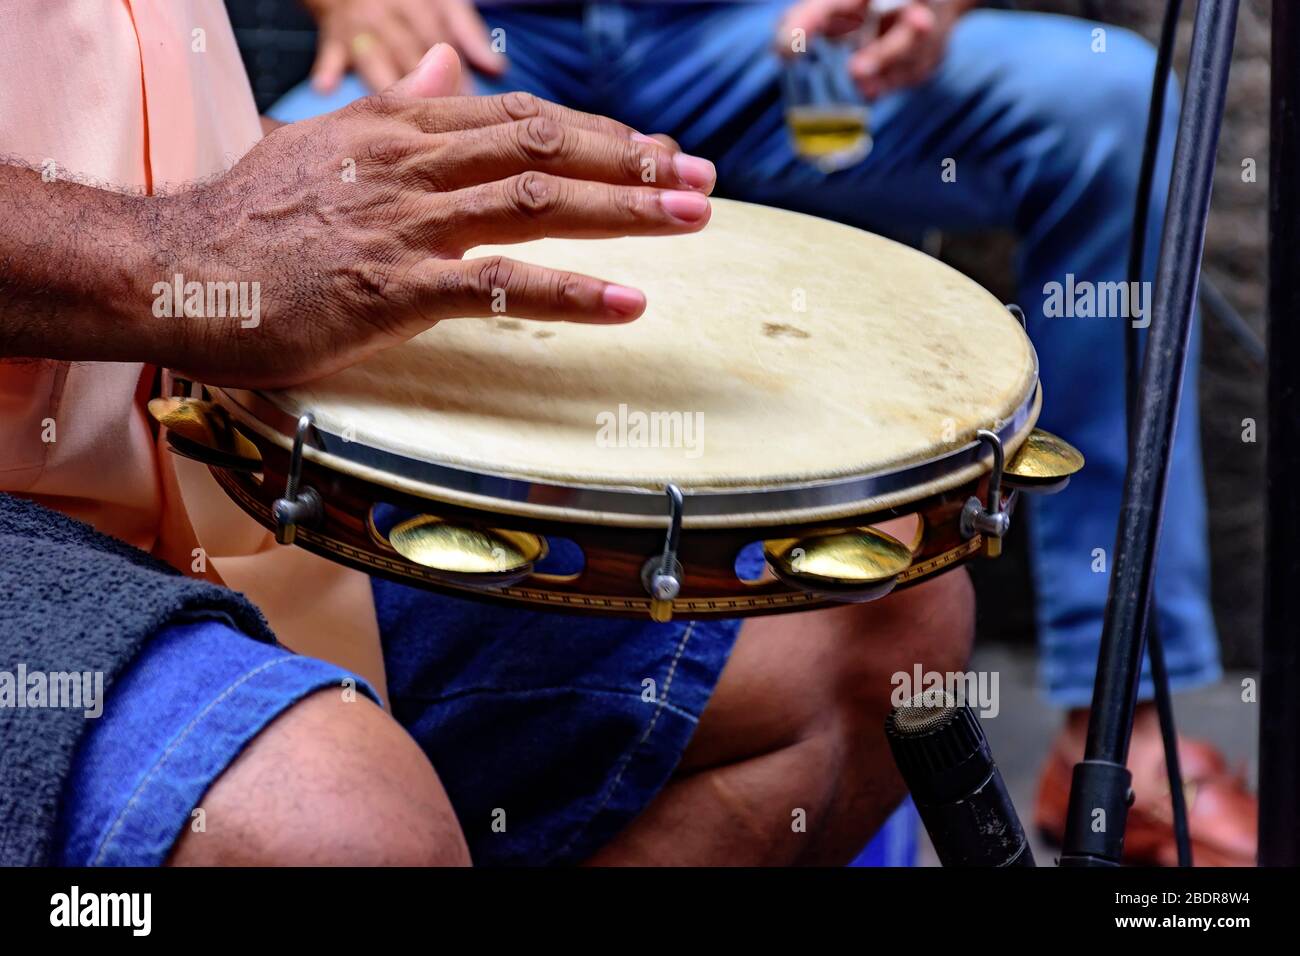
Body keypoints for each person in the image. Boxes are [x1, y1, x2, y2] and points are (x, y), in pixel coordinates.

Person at [270, 0, 1257, 865]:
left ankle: (1115, 732)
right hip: (488, 38)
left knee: (1113, 105)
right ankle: (291, 715)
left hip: (765, 37)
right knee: (279, 199)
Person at [0, 1, 969, 866]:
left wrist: (316, 179)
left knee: (864, 611)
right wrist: (175, 252)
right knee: (334, 827)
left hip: (196, 421)